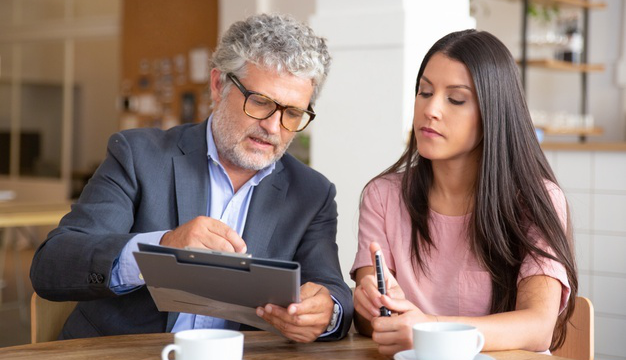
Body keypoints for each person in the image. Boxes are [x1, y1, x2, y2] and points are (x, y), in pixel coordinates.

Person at [30, 13, 353, 343]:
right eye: (260, 102)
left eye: (292, 113)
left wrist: (326, 313)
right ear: (218, 85)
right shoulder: (138, 155)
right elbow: (52, 264)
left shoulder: (312, 194)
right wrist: (162, 248)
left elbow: (333, 291)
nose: (273, 127)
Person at [351, 29, 578, 356]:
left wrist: (428, 328)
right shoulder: (382, 196)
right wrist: (370, 307)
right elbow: (372, 322)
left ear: (493, 113)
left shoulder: (535, 200)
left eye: (455, 99)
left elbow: (538, 328)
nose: (431, 109)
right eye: (424, 92)